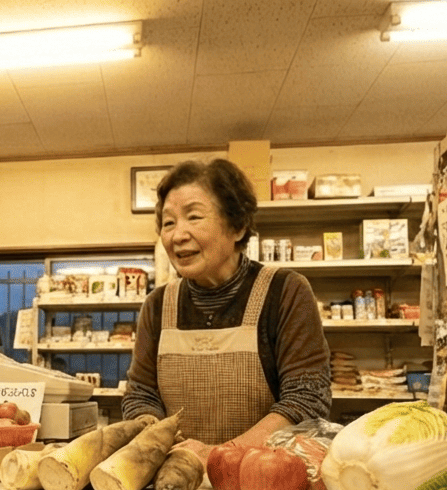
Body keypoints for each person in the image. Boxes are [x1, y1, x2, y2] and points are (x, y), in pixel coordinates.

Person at [122, 159, 331, 459]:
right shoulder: (158, 305)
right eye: (168, 223)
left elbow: (307, 400)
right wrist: (152, 433)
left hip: (262, 480)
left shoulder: (284, 292)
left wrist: (218, 455)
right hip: (174, 479)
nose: (177, 235)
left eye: (194, 217)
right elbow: (141, 393)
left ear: (237, 226)